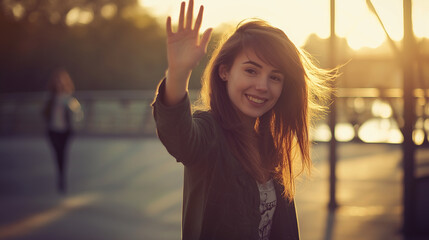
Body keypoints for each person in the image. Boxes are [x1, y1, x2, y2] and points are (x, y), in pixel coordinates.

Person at [152, 0, 335, 239]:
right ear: (225, 71)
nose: (262, 86)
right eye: (251, 70)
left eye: (275, 77)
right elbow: (178, 134)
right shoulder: (209, 133)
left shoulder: (269, 143)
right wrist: (178, 72)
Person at [43, 68, 83, 194]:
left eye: (61, 82)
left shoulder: (68, 98)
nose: (59, 84)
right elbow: (44, 113)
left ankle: (61, 177)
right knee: (57, 153)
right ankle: (60, 175)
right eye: (57, 82)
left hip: (65, 131)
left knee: (62, 153)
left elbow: (78, 113)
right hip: (52, 130)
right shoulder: (51, 99)